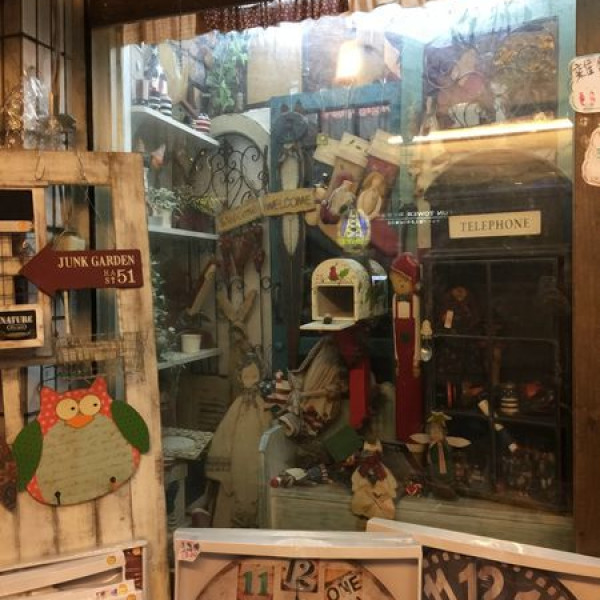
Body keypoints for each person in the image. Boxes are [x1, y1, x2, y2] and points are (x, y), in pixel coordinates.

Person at [390, 253, 423, 440]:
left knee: (413, 395)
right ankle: (402, 434)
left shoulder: (415, 301)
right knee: (401, 395)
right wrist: (396, 358)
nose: (399, 285)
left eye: (403, 281)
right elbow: (395, 332)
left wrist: (416, 360)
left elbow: (417, 330)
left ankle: (414, 435)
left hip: (411, 357)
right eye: (396, 282)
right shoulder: (394, 300)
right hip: (401, 357)